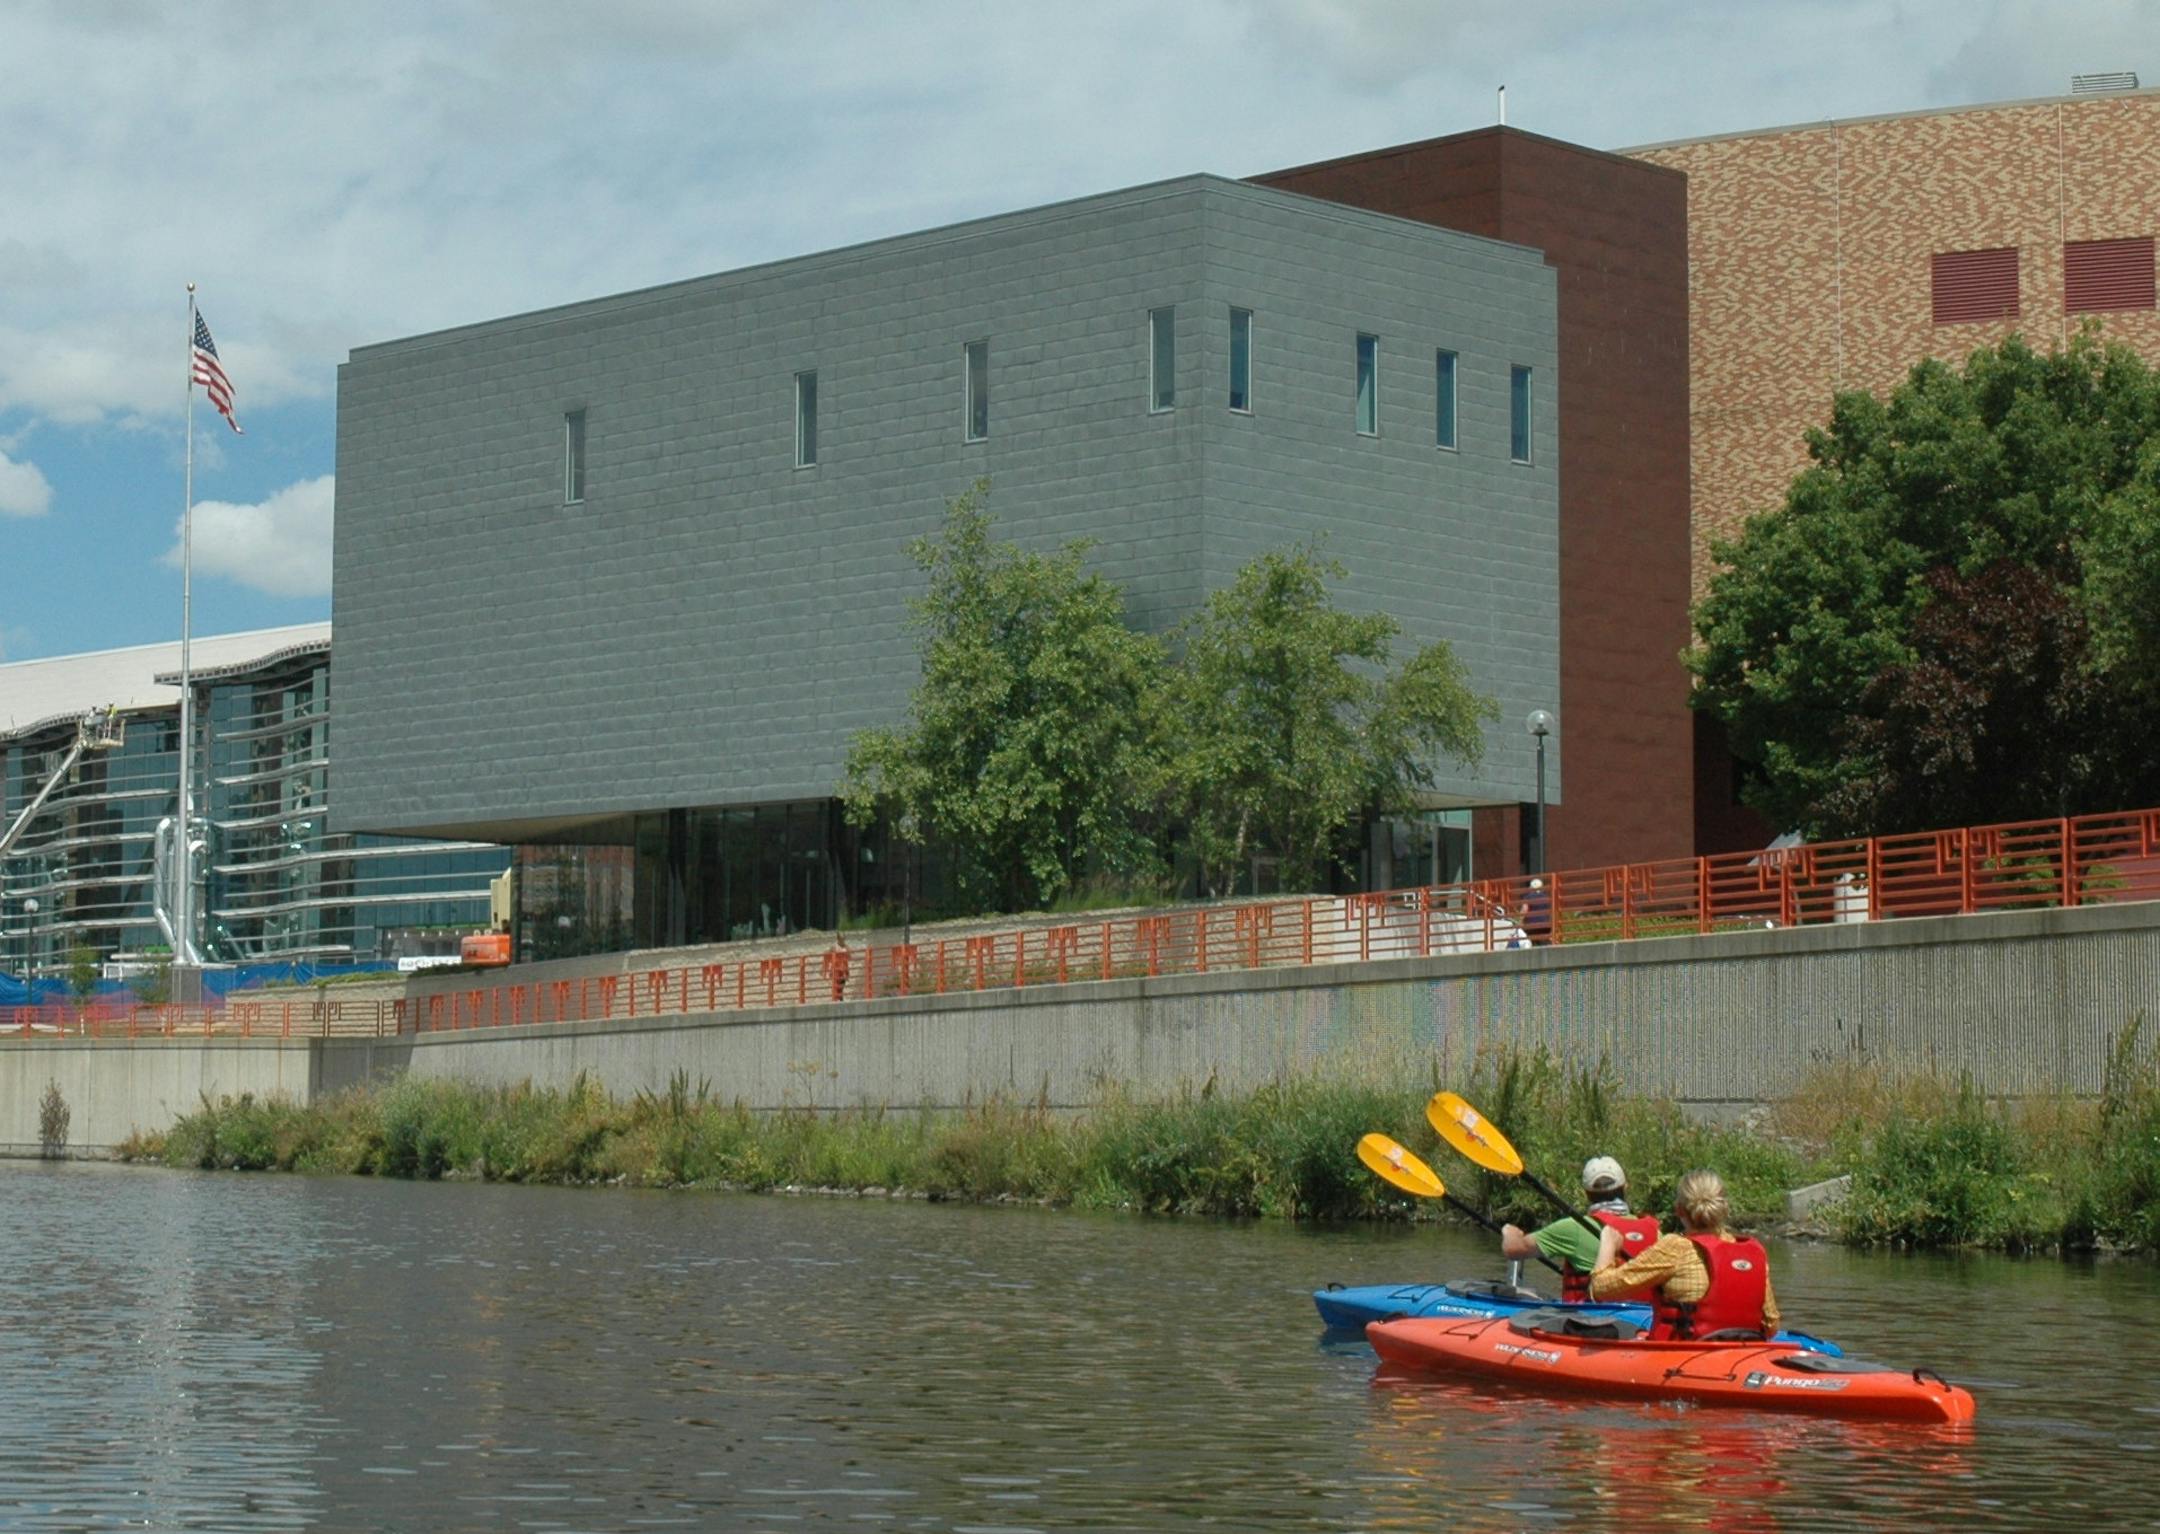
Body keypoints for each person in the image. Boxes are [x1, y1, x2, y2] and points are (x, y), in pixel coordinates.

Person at [1589, 1168, 1780, 1340]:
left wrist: (1608, 1244)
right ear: (1725, 1208)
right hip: (1742, 1353)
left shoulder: (1673, 1248)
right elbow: (1771, 1326)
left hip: (1686, 1355)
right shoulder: (1753, 1251)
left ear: (1678, 1210)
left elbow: (1600, 1290)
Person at [1500, 1156, 1660, 1301]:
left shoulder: (1574, 1228)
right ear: (1625, 1187)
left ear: (1586, 1193)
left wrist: (1510, 1232)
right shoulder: (1655, 1231)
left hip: (1589, 1323)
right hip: (1645, 1322)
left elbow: (1513, 1249)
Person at [821, 932, 852, 1002]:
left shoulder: (846, 947)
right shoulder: (834, 947)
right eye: (841, 939)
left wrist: (848, 953)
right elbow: (827, 955)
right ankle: (838, 999)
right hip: (836, 970)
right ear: (838, 939)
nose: (843, 940)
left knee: (842, 985)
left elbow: (850, 957)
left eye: (844, 939)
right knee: (836, 986)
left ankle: (839, 998)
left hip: (843, 969)